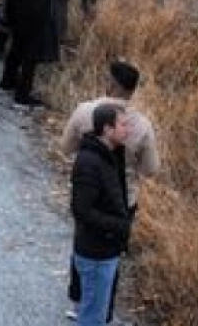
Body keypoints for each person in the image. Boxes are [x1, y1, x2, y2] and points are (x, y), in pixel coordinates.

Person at [61, 61, 162, 323]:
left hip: (88, 191)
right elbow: (151, 170)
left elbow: (66, 147)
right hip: (122, 200)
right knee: (110, 256)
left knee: (82, 244)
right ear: (132, 91)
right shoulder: (141, 125)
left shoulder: (85, 111)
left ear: (110, 84)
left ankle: (78, 300)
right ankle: (101, 309)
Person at [70, 104, 132, 326]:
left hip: (106, 249)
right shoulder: (89, 162)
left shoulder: (111, 155)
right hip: (96, 253)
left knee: (96, 312)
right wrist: (116, 225)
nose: (128, 130)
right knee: (92, 318)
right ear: (107, 129)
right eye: (123, 125)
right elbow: (81, 210)